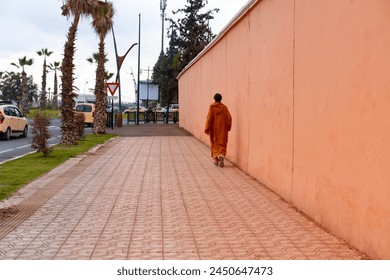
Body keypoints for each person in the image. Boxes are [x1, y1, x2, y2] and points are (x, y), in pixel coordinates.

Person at [204, 93, 232, 167]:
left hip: (214, 129)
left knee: (215, 143)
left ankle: (216, 160)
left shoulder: (212, 107)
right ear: (221, 99)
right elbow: (229, 118)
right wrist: (228, 127)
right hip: (223, 129)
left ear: (214, 99)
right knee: (222, 143)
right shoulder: (224, 108)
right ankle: (221, 156)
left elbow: (209, 118)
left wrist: (207, 128)